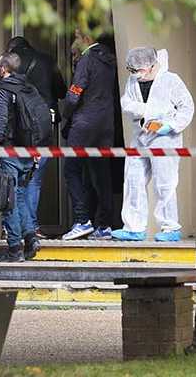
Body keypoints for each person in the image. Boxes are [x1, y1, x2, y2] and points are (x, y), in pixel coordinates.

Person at [114, 48, 195, 242]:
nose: (135, 74)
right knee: (133, 180)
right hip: (140, 135)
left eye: (138, 70)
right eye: (132, 70)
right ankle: (134, 227)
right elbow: (126, 103)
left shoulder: (171, 80)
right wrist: (147, 110)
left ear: (151, 66)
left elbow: (187, 107)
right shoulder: (133, 81)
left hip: (165, 138)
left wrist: (170, 125)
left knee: (165, 183)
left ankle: (170, 227)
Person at [60, 29, 120, 240]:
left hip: (84, 124)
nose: (74, 41)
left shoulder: (87, 59)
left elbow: (75, 92)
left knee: (71, 170)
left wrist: (66, 114)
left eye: (77, 37)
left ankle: (82, 219)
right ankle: (104, 225)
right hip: (106, 125)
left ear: (87, 38)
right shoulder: (111, 59)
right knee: (102, 174)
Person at [0, 53, 42, 262]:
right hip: (28, 152)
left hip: (9, 152)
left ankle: (15, 248)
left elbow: (0, 120)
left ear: (3, 68)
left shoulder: (2, 90)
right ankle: (31, 237)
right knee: (19, 196)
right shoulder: (29, 88)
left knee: (8, 200)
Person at [6, 36, 65, 236]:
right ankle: (31, 226)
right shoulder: (47, 60)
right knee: (34, 179)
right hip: (44, 124)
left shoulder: (9, 63)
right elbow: (61, 91)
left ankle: (13, 227)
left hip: (18, 128)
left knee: (14, 178)